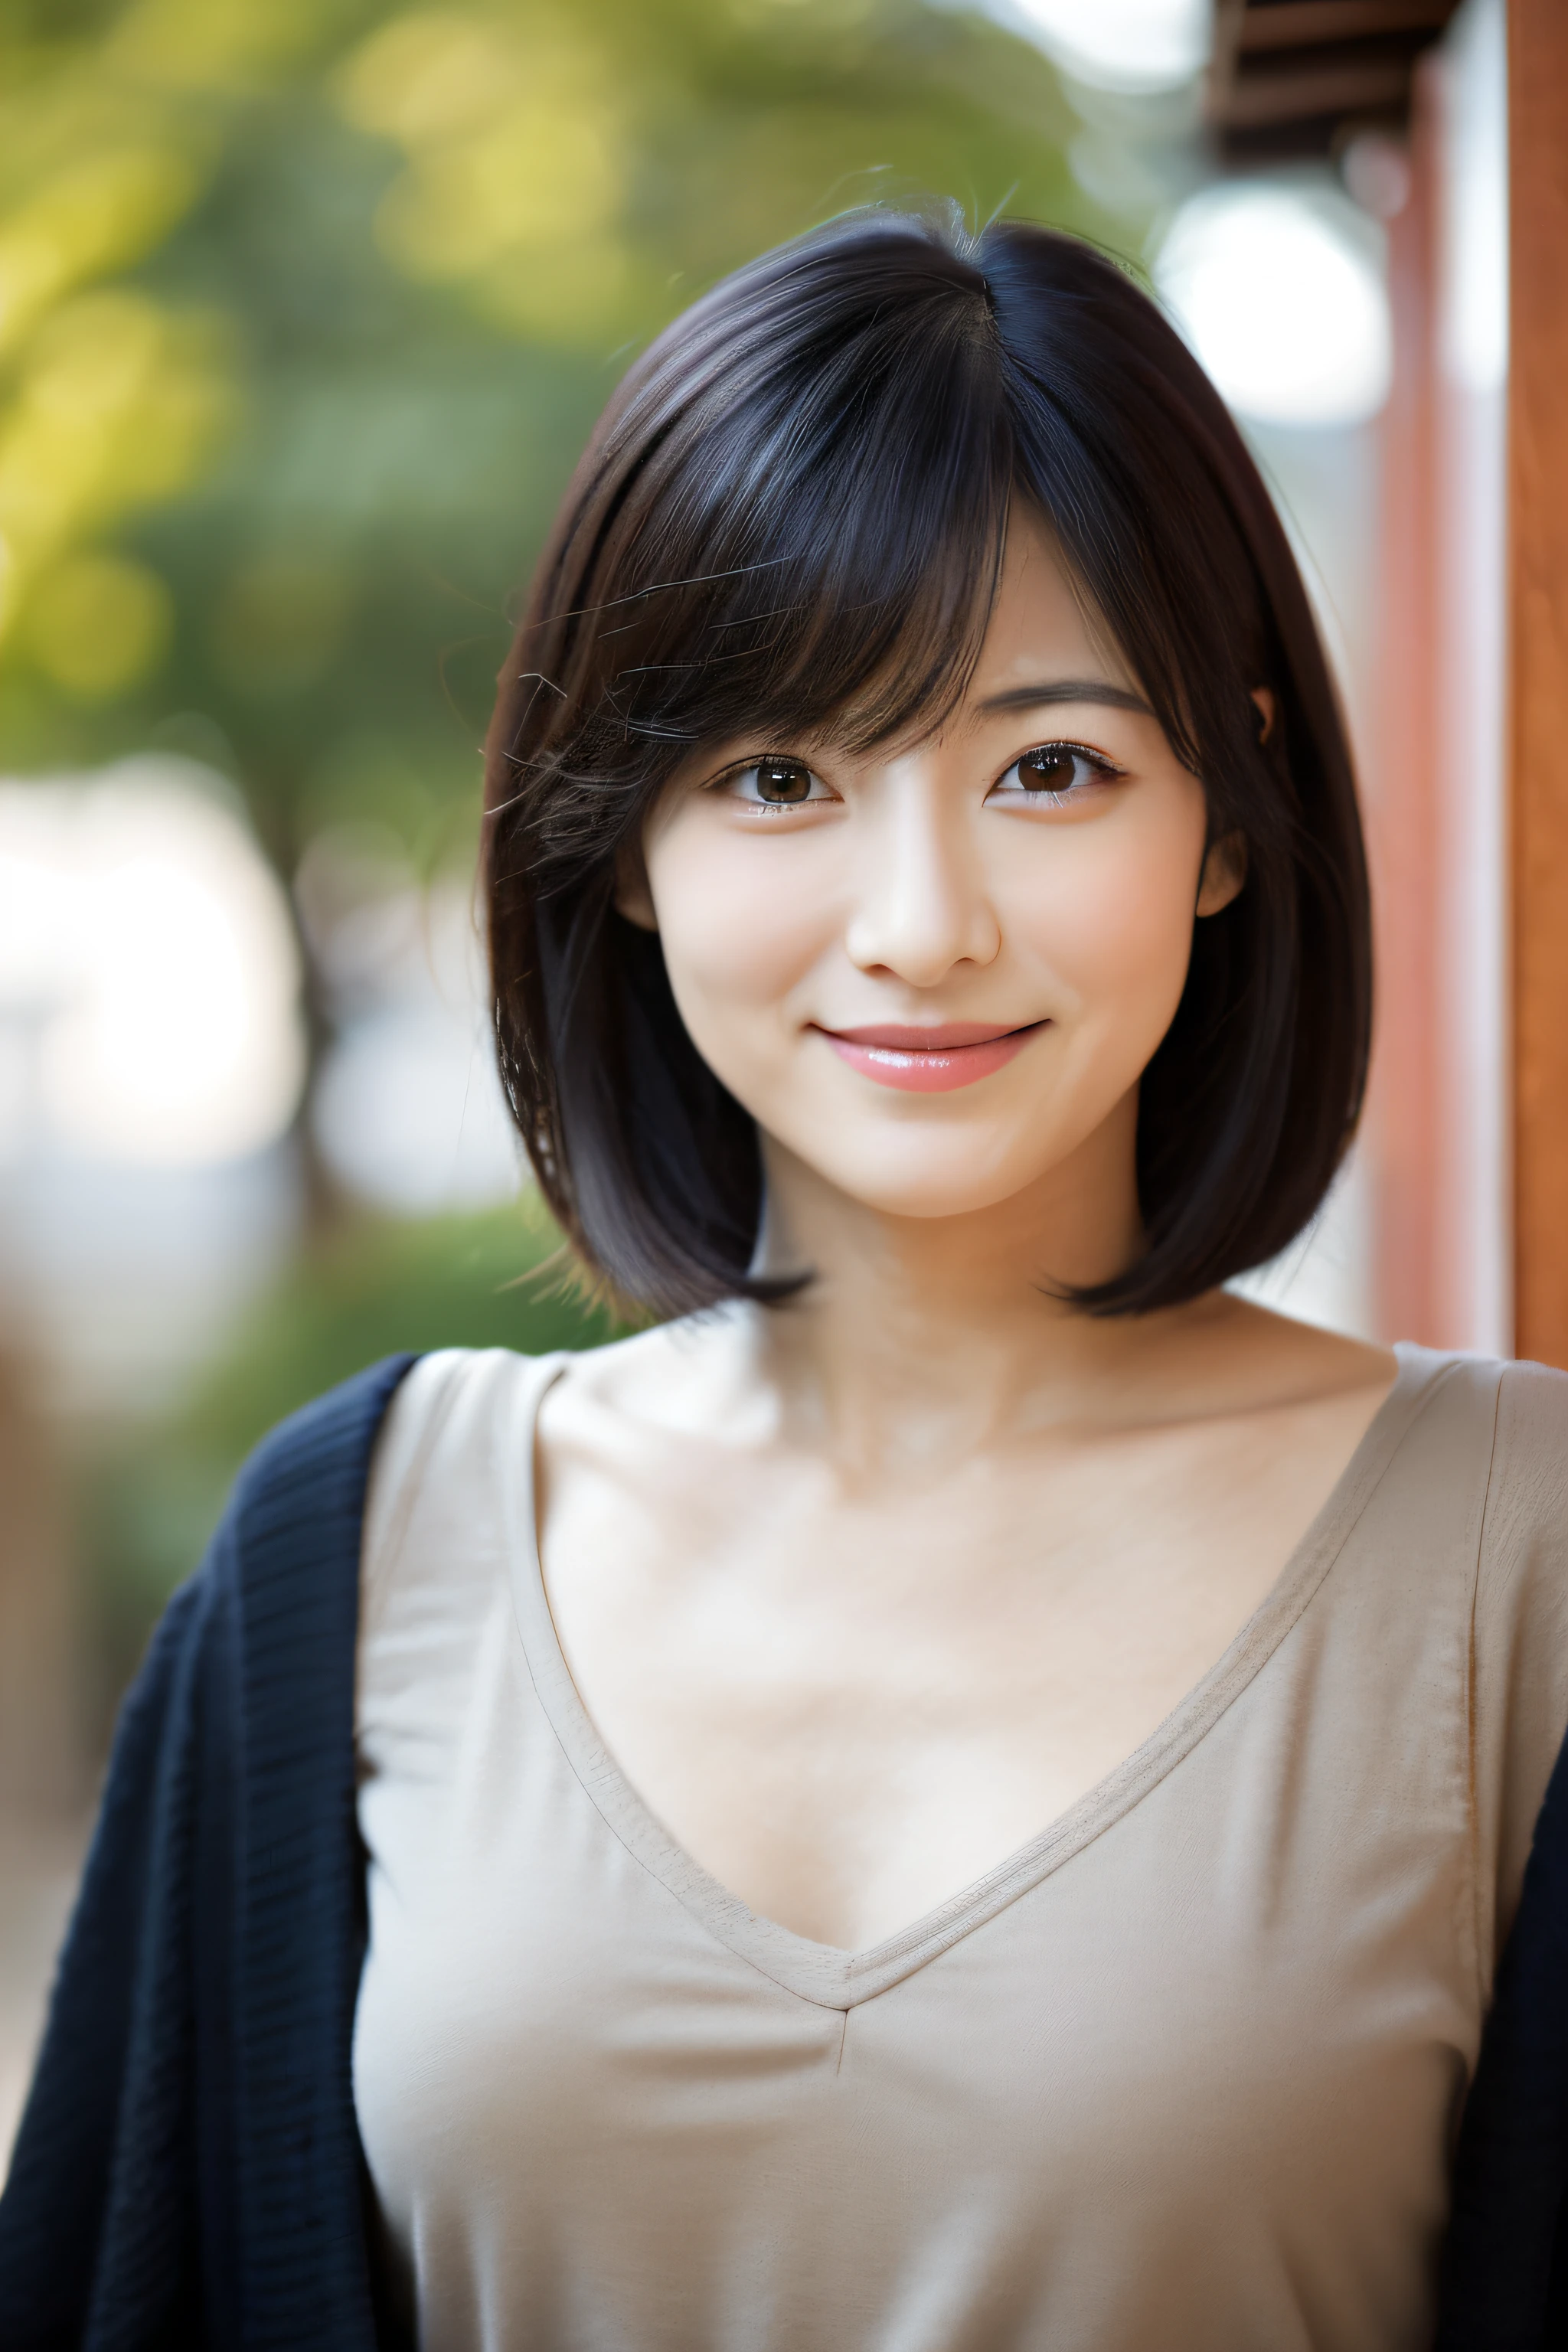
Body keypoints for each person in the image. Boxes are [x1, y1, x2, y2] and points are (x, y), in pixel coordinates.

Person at [2, 205, 1566, 2352]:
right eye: (775, 777)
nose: (919, 921)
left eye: (1051, 766)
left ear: (1229, 814)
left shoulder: (1521, 1557)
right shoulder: (356, 1559)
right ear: (623, 848)